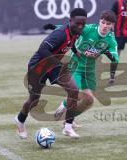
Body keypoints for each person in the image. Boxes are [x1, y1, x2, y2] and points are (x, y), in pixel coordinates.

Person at [14, 8, 87, 139]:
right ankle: (20, 120)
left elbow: (72, 42)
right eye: (78, 23)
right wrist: (57, 63)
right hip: (38, 68)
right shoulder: (60, 34)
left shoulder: (76, 31)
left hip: (54, 67)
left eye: (83, 24)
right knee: (34, 100)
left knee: (74, 90)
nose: (81, 26)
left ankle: (68, 127)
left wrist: (76, 52)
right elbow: (42, 49)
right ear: (70, 21)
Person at [45, 10, 119, 138]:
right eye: (103, 22)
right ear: (99, 22)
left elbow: (115, 57)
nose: (105, 26)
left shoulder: (111, 39)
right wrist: (55, 27)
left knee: (89, 101)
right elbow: (70, 28)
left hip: (89, 70)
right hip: (76, 65)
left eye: (108, 23)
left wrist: (110, 55)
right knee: (75, 92)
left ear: (112, 25)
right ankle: (67, 125)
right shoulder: (88, 29)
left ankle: (68, 117)